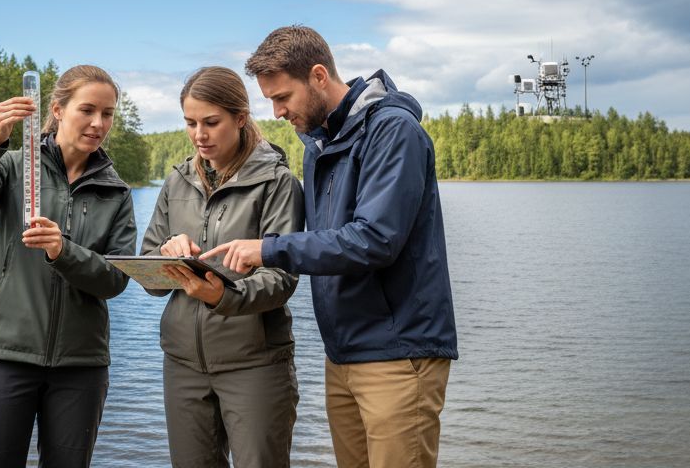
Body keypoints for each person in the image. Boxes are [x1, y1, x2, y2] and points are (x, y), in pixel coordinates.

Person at [204, 26, 458, 468]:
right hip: (342, 353)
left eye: (283, 97)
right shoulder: (320, 145)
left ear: (319, 76)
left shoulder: (392, 131)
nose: (278, 112)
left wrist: (267, 249)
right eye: (270, 101)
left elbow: (375, 240)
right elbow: (320, 239)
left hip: (398, 354)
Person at [0, 65, 137, 468]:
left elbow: (115, 280)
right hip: (2, 356)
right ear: (58, 109)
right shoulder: (12, 167)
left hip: (81, 366)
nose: (99, 123)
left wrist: (64, 251)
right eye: (88, 110)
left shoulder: (116, 192)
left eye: (108, 113)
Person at [140, 66, 304, 468]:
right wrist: (166, 253)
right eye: (190, 123)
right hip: (182, 365)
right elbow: (147, 272)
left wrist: (223, 296)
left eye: (211, 122)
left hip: (255, 363)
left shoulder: (277, 183)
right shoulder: (177, 181)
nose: (200, 134)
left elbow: (282, 278)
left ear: (241, 118)